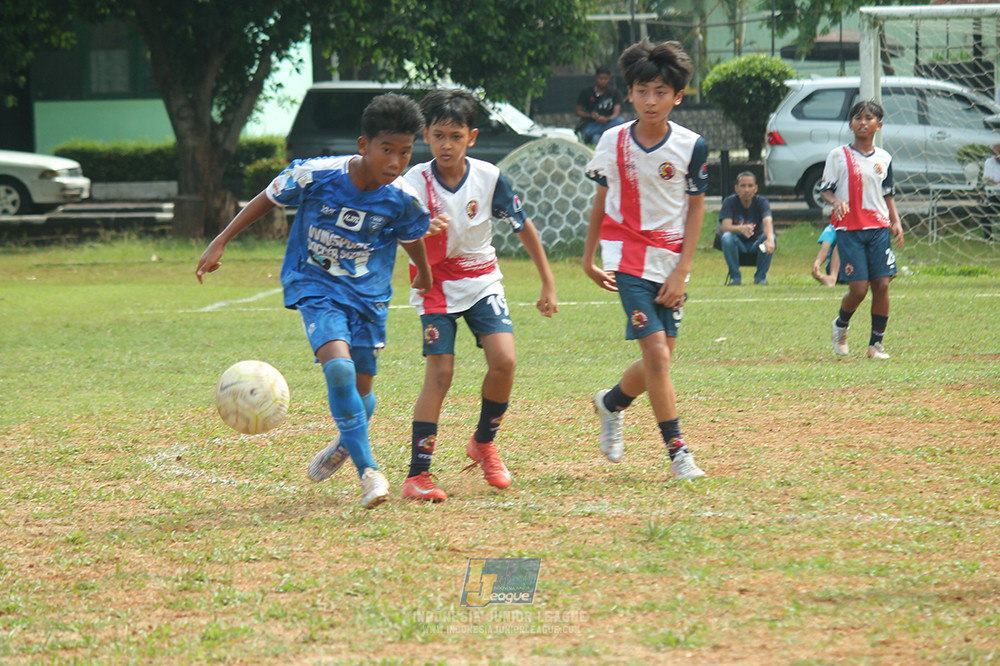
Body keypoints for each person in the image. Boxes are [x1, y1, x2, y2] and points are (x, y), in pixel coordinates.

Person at [195, 93, 433, 509]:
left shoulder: (401, 199)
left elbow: (409, 235)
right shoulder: (315, 175)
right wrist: (220, 241)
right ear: (364, 146)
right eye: (387, 150)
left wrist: (425, 274)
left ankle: (346, 440)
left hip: (369, 297)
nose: (396, 162)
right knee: (338, 370)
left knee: (361, 390)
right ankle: (369, 471)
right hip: (315, 284)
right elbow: (267, 197)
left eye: (405, 153)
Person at [398, 88, 558, 503]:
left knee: (504, 360)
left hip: (482, 280)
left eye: (455, 135)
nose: (446, 144)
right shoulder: (413, 182)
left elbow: (523, 227)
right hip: (434, 284)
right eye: (437, 136)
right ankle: (418, 474)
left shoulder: (489, 177)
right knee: (441, 374)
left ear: (472, 136)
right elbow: (397, 231)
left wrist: (548, 282)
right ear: (426, 137)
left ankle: (484, 442)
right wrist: (418, 233)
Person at [581, 39, 708, 481]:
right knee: (656, 354)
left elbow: (696, 209)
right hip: (627, 258)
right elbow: (600, 200)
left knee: (660, 361)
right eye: (641, 90)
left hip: (670, 261)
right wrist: (588, 258)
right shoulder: (612, 140)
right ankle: (679, 454)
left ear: (678, 95)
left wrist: (682, 270)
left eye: (660, 92)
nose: (650, 100)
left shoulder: (693, 146)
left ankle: (611, 403)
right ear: (629, 94)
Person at [820, 100, 904, 360]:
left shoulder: (884, 158)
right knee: (858, 289)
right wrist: (836, 201)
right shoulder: (837, 156)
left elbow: (887, 194)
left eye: (869, 118)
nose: (863, 122)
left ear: (879, 125)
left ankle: (875, 345)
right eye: (858, 117)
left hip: (878, 228)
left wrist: (896, 221)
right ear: (850, 124)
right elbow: (825, 190)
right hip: (849, 229)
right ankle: (841, 326)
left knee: (882, 285)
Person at [718, 171, 775, 285]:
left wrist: (771, 240)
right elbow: (725, 227)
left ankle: (760, 278)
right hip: (738, 244)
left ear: (756, 188)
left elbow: (767, 221)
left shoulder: (762, 202)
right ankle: (735, 278)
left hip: (756, 244)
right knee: (726, 237)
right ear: (736, 188)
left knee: (769, 236)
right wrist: (740, 228)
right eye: (743, 186)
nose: (746, 190)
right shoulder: (729, 202)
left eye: (750, 186)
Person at [575, 66, 626, 146]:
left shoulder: (615, 93)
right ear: (596, 78)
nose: (603, 81)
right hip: (592, 123)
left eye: (605, 78)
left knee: (620, 121)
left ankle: (588, 134)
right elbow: (578, 111)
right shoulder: (586, 92)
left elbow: (616, 113)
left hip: (609, 123)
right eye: (600, 78)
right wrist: (590, 115)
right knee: (595, 136)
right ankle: (588, 133)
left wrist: (607, 119)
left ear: (609, 78)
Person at [981, 142, 1000, 241]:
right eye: (995, 153)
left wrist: (996, 182)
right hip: (995, 197)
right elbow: (988, 179)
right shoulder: (989, 162)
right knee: (985, 214)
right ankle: (988, 239)